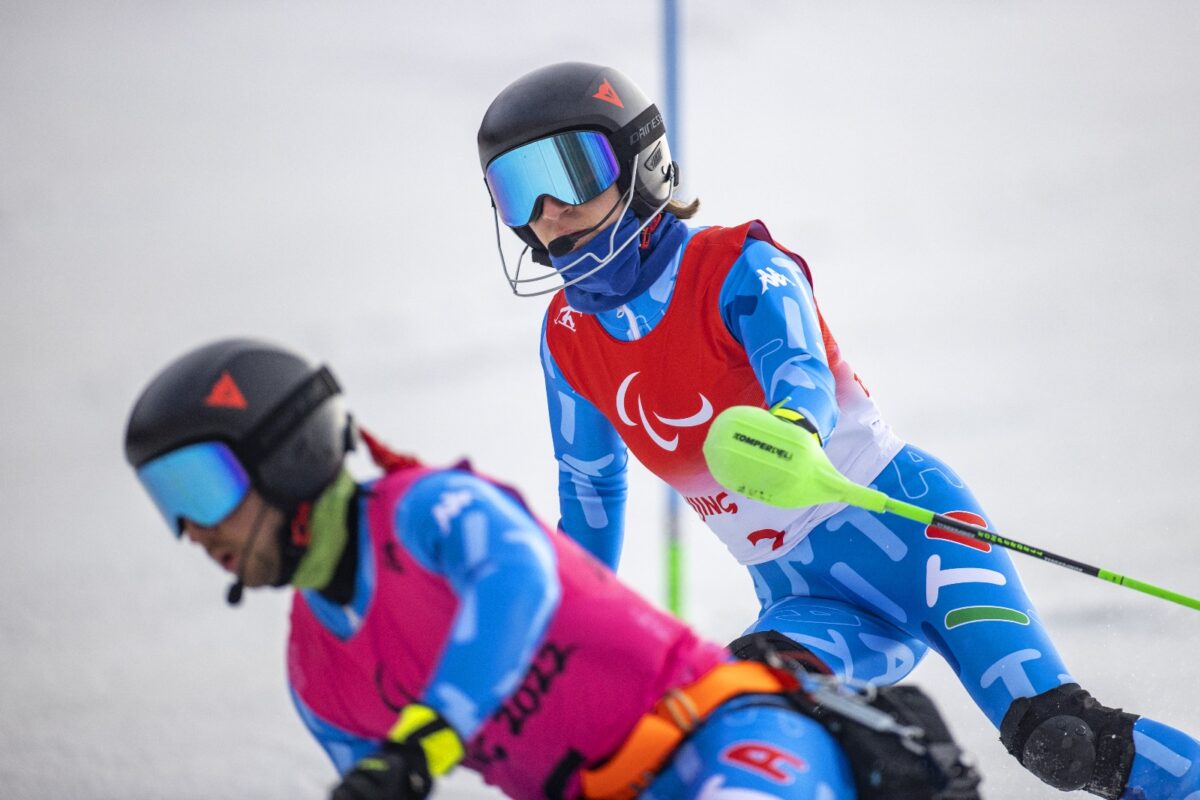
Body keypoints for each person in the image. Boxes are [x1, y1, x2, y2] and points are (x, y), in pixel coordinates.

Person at [475, 61, 1200, 799]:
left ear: (640, 163)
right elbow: (590, 492)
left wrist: (795, 426)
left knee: (1061, 740)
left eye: (567, 170)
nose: (546, 210)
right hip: (804, 598)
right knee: (744, 719)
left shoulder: (736, 265)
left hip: (918, 538)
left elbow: (799, 367)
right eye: (514, 189)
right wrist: (552, 621)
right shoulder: (566, 336)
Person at [123, 338, 981, 800]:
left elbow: (519, 584)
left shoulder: (429, 512)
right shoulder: (316, 675)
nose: (194, 528)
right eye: (169, 502)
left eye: (203, 485)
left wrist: (428, 736)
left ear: (288, 451)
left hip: (735, 739)